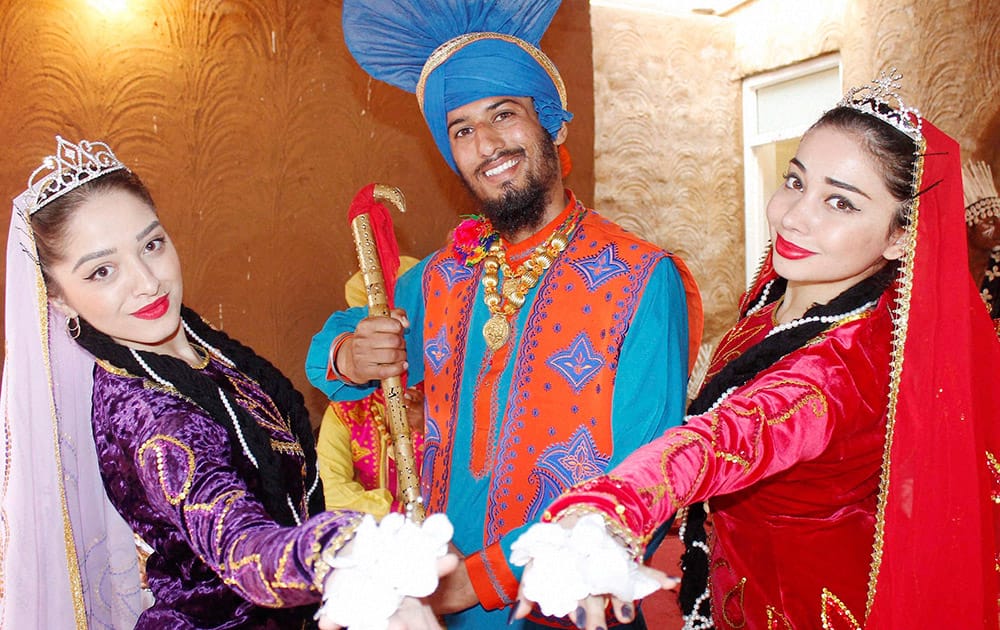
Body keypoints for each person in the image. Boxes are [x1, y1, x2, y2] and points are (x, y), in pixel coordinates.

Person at [512, 72, 1000, 629]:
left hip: (800, 607)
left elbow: (733, 435)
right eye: (795, 181)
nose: (793, 216)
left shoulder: (842, 366)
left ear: (899, 236)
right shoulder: (785, 293)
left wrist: (612, 508)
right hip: (734, 581)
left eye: (840, 203)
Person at [306, 1, 703, 627]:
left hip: (565, 607)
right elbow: (332, 346)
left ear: (552, 126)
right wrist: (350, 355)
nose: (486, 144)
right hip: (438, 606)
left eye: (504, 115)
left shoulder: (640, 278)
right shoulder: (442, 275)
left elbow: (645, 481)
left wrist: (475, 582)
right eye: (461, 130)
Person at [0, 135, 455, 629]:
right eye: (103, 271)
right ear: (60, 300)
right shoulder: (149, 415)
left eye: (151, 245)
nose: (147, 282)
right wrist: (346, 544)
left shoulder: (190, 340)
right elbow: (243, 550)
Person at [318, 256, 428, 517]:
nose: (392, 345)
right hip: (374, 545)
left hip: (453, 544)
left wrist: (433, 424)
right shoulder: (345, 410)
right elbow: (333, 495)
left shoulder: (450, 393)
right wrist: (399, 515)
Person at [963, 160, 1000, 334]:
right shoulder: (946, 264)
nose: (998, 229)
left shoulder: (997, 267)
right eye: (989, 222)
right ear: (969, 227)